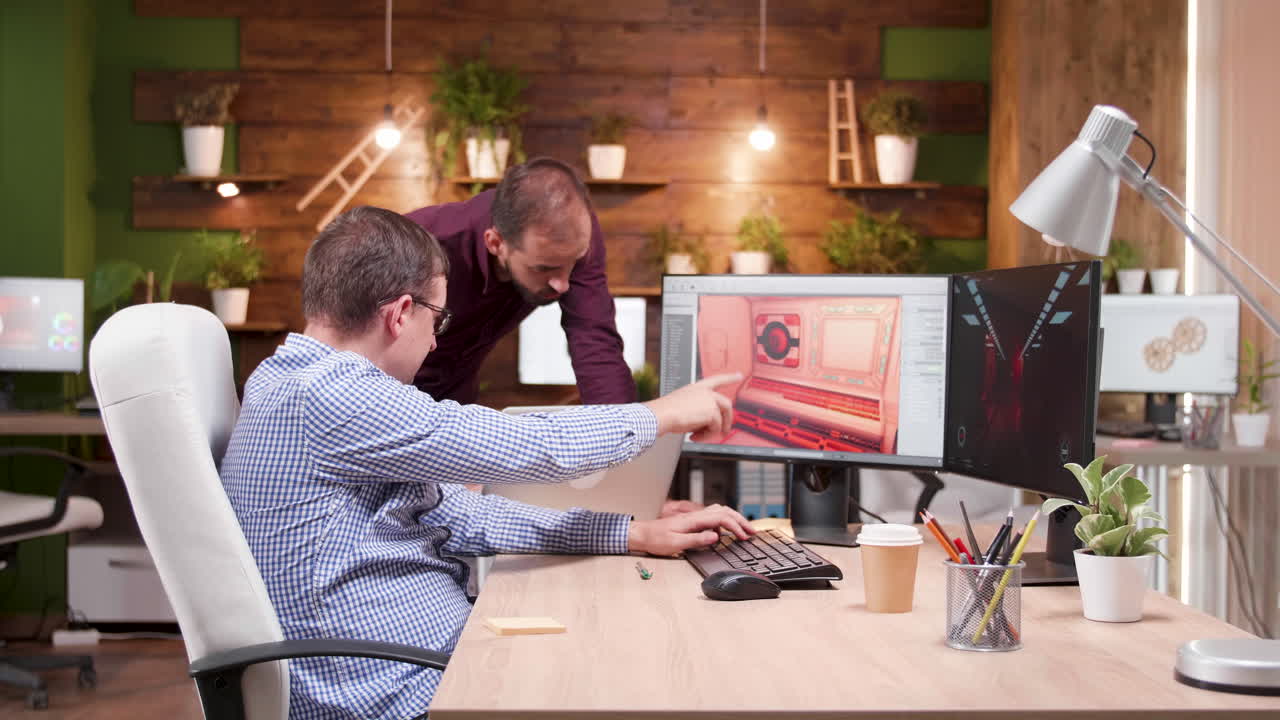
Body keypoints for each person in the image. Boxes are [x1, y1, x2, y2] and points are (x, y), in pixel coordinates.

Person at [219, 206, 753, 719]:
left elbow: (457, 512)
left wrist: (633, 534)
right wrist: (663, 413)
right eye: (437, 319)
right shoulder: (330, 395)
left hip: (420, 662)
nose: (434, 340)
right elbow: (522, 445)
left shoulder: (289, 381)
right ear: (401, 313)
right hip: (397, 690)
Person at [404, 157, 633, 405]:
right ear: (495, 243)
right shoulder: (418, 247)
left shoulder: (572, 238)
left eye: (574, 263)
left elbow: (595, 341)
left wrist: (625, 435)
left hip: (457, 405)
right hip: (387, 401)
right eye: (544, 268)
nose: (563, 284)